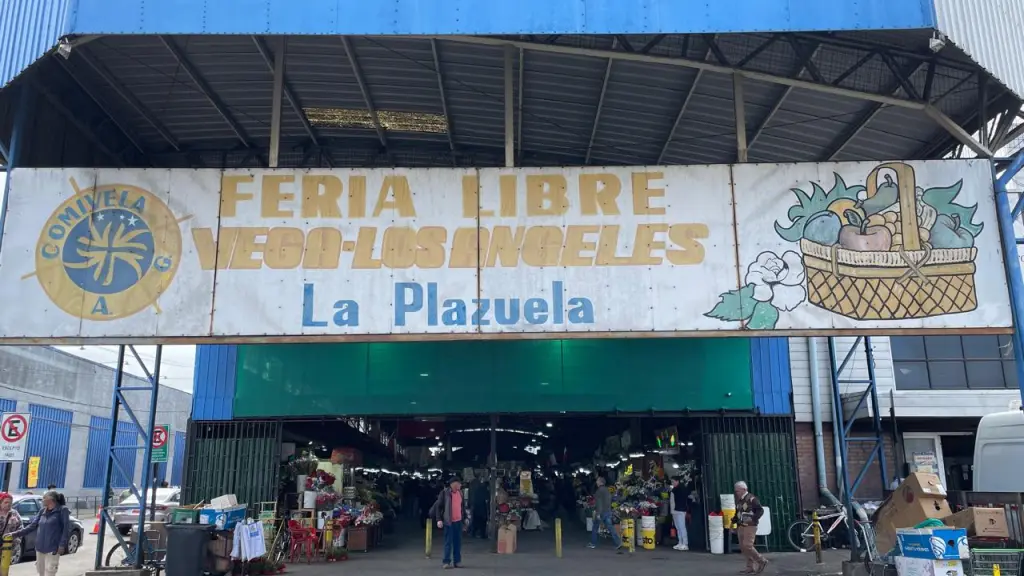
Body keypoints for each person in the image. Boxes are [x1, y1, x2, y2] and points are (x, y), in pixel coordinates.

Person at [13, 490, 70, 576]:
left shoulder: (62, 510)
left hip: (53, 548)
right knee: (41, 572)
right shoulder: (42, 511)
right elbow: (32, 526)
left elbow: (66, 529)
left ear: (50, 499)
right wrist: (15, 534)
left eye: (44, 498)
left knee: (50, 572)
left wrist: (62, 545)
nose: (42, 500)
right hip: (40, 548)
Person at [431, 477, 468, 569]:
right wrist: (439, 519)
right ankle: (446, 562)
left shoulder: (460, 493)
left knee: (457, 542)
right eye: (459, 483)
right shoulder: (445, 493)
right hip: (449, 522)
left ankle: (457, 561)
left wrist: (465, 518)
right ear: (453, 484)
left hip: (458, 522)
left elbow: (462, 507)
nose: (460, 485)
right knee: (448, 542)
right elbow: (438, 507)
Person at [732, 481, 767, 574]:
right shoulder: (739, 500)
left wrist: (753, 518)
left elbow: (760, 510)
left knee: (748, 545)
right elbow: (738, 512)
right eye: (736, 491)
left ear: (744, 489)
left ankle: (761, 560)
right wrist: (733, 521)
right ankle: (750, 567)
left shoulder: (752, 499)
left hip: (750, 525)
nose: (736, 493)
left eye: (738, 491)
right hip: (741, 525)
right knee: (743, 547)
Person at [588, 477, 622, 552]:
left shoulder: (598, 491)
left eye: (597, 481)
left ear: (600, 482)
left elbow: (599, 503)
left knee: (595, 527)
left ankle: (593, 543)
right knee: (610, 528)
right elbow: (612, 499)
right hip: (608, 511)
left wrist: (598, 514)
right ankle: (618, 542)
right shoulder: (607, 490)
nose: (596, 482)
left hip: (601, 512)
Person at [669, 476, 690, 551]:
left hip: (680, 510)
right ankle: (680, 542)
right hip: (675, 510)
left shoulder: (681, 489)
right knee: (678, 527)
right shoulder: (675, 489)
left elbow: (682, 500)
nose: (672, 483)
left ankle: (685, 543)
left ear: (677, 481)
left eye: (673, 481)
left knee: (682, 527)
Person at [470, 474, 490, 539]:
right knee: (483, 523)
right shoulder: (485, 491)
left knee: (475, 522)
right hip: (482, 509)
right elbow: (487, 499)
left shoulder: (477, 490)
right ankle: (482, 535)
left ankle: (473, 533)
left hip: (476, 508)